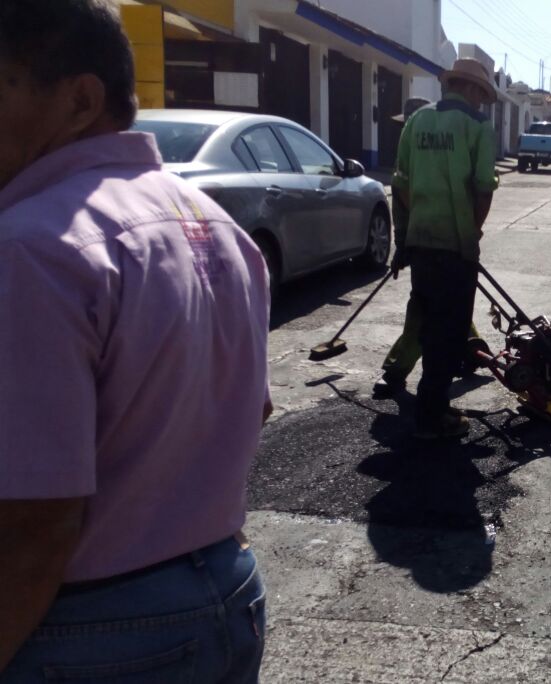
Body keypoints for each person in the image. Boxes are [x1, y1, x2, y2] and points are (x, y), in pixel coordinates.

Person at [0, 1, 271, 680]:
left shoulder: (33, 247)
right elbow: (252, 409)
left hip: (91, 629)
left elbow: (35, 520)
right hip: (228, 592)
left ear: (80, 99)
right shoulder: (215, 224)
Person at [391, 58, 499, 439]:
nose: (483, 104)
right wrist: (472, 232)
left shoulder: (417, 121)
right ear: (471, 90)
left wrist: (402, 238)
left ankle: (429, 404)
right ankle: (431, 415)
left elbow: (400, 185)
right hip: (456, 248)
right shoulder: (476, 126)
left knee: (429, 321)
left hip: (421, 241)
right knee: (449, 333)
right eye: (482, 96)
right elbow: (484, 188)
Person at [375, 96, 484, 399]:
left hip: (447, 242)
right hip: (425, 241)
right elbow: (401, 201)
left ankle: (398, 370)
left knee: (430, 311)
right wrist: (402, 244)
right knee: (434, 307)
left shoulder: (431, 150)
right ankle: (469, 345)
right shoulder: (411, 157)